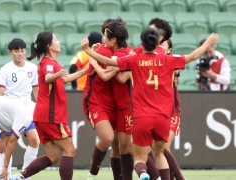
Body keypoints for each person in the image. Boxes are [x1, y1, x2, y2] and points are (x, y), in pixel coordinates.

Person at [81, 28, 219, 180]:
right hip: (162, 117)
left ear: (141, 43)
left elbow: (108, 61)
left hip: (142, 117)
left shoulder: (134, 60)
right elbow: (193, 56)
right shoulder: (168, 59)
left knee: (139, 157)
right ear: (157, 44)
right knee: (159, 153)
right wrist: (208, 42)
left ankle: (143, 173)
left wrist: (88, 50)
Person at [11, 30, 88, 180]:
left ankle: (19, 177)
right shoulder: (48, 63)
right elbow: (48, 78)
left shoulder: (52, 64)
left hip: (42, 116)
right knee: (70, 150)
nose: (59, 42)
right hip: (50, 116)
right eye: (56, 39)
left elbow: (65, 79)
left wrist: (87, 70)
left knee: (53, 157)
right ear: (49, 46)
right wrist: (57, 75)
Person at [88, 20, 134, 180]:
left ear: (113, 38)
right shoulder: (106, 51)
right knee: (111, 140)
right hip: (100, 101)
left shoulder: (126, 53)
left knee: (125, 147)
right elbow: (112, 76)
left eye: (105, 36)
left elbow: (115, 77)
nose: (102, 39)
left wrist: (91, 55)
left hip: (124, 104)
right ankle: (92, 174)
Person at [0, 38, 40, 176]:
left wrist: (40, 108)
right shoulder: (5, 70)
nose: (20, 53)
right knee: (8, 145)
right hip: (10, 111)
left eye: (22, 50)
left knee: (35, 141)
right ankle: (6, 175)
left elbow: (36, 90)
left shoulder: (32, 68)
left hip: (27, 109)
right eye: (16, 51)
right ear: (10, 52)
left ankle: (25, 175)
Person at [160, 39, 187, 180]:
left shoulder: (171, 62)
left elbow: (177, 70)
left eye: (163, 45)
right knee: (157, 151)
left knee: (163, 148)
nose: (159, 47)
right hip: (157, 113)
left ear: (169, 50)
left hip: (172, 112)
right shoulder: (152, 62)